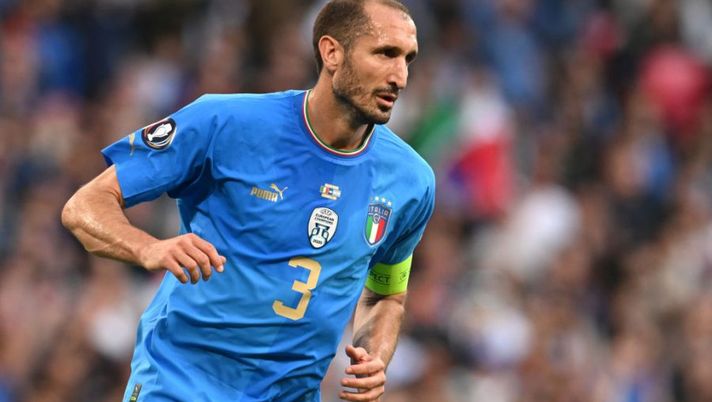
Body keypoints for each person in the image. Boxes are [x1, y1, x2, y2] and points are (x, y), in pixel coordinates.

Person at [61, 0, 434, 400]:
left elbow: (385, 294)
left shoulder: (410, 181)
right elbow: (85, 205)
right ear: (331, 52)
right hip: (179, 385)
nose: (401, 76)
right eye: (385, 53)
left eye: (408, 59)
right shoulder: (225, 123)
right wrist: (148, 247)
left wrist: (374, 355)